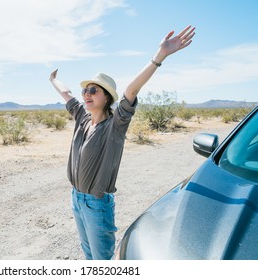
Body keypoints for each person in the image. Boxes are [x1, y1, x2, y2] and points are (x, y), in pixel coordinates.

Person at [49, 25, 195, 260]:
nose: (87, 93)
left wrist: (160, 56)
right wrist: (53, 79)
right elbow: (66, 93)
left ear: (106, 96)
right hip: (76, 199)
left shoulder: (115, 125)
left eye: (93, 90)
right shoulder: (82, 118)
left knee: (103, 261)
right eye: (85, 89)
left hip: (97, 205)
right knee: (88, 256)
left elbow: (131, 90)